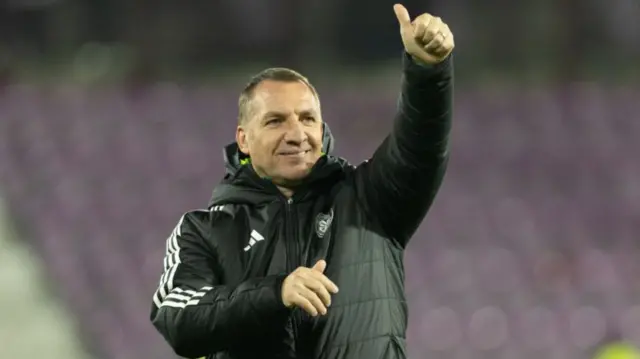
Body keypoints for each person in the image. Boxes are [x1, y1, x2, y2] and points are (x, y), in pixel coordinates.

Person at [150, 4, 454, 359]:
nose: (297, 134)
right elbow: (179, 319)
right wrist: (276, 293)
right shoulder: (204, 230)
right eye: (275, 121)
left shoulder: (369, 199)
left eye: (308, 119)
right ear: (244, 138)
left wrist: (427, 72)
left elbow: (420, 147)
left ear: (322, 130)